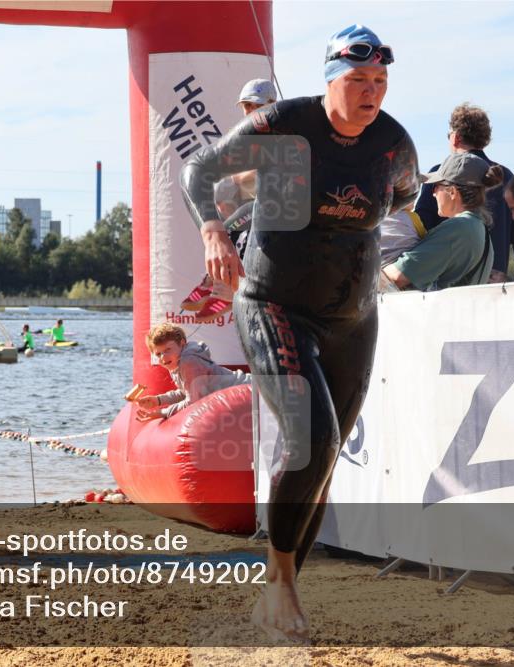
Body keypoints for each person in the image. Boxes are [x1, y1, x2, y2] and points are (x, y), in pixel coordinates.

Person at [181, 24, 419, 642]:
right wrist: (213, 230)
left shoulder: (393, 143)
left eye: (380, 81)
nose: (372, 92)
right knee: (312, 438)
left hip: (352, 316)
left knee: (325, 456)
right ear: (331, 80)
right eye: (359, 79)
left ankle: (280, 596)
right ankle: (280, 583)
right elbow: (199, 170)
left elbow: (403, 196)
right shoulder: (285, 124)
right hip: (274, 304)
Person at [182, 79, 279, 324]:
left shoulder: (280, 132)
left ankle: (222, 287)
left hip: (281, 209)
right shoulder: (247, 138)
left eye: (255, 105)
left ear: (271, 104)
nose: (250, 111)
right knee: (224, 217)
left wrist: (235, 179)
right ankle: (217, 280)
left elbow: (257, 174)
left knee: (231, 216)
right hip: (258, 210)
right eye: (246, 106)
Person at [415, 104, 514, 282]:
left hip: (453, 284)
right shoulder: (504, 176)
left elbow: (421, 227)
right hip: (497, 284)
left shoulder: (441, 175)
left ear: (456, 137)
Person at [383, 153, 502, 290]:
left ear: (452, 192)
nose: (433, 194)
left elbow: (398, 276)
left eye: (435, 187)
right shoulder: (478, 227)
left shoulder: (459, 229)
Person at [134, 323, 250, 420]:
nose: (163, 357)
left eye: (168, 349)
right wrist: (158, 400)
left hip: (248, 391)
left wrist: (163, 412)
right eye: (158, 354)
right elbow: (187, 392)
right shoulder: (174, 361)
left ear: (182, 343)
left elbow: (195, 401)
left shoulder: (188, 361)